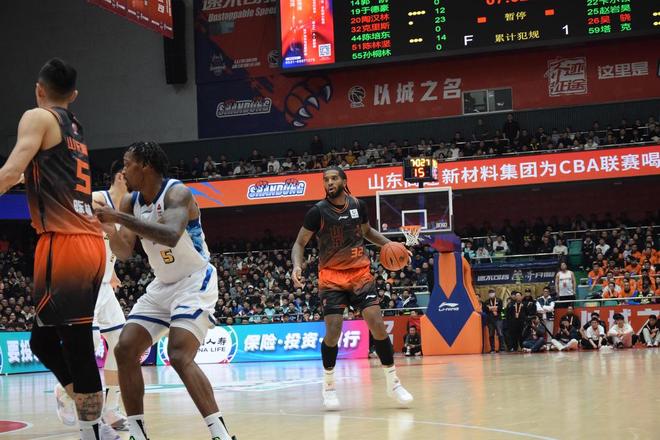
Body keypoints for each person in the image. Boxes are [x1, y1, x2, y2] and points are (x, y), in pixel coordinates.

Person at [0, 58, 118, 439]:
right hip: (88, 242)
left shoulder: (37, 117)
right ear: (74, 95)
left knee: (79, 346)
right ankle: (92, 419)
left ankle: (95, 431)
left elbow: (11, 171)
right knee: (42, 340)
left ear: (39, 89)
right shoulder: (75, 129)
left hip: (65, 242)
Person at [95, 142, 236, 440]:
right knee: (124, 348)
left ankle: (221, 434)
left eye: (127, 163)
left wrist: (118, 218)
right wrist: (108, 230)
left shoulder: (177, 193)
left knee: (179, 353)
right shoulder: (130, 201)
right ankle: (138, 433)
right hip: (162, 285)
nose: (123, 170)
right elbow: (124, 252)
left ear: (145, 165)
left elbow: (171, 235)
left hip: (193, 280)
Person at [291, 166, 413, 409]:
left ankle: (393, 383)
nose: (329, 182)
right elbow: (300, 243)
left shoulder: (358, 205)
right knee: (333, 330)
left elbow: (367, 232)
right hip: (331, 277)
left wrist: (393, 246)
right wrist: (296, 266)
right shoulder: (317, 212)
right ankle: (328, 386)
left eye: (334, 178)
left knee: (377, 324)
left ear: (344, 180)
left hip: (360, 274)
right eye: (326, 179)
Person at [53, 160, 130, 430]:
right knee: (90, 343)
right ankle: (65, 390)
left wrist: (112, 270)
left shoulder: (126, 209)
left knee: (122, 343)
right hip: (84, 282)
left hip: (104, 284)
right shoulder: (96, 198)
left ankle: (111, 409)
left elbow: (109, 245)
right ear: (121, 177)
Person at [483, 289, 505, 353]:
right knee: (491, 334)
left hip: (498, 319)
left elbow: (501, 308)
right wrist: (494, 308)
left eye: (492, 293)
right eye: (490, 293)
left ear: (495, 293)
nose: (491, 294)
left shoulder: (499, 300)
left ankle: (502, 348)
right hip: (490, 320)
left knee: (500, 333)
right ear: (488, 294)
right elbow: (485, 309)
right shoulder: (486, 302)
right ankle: (492, 349)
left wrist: (491, 308)